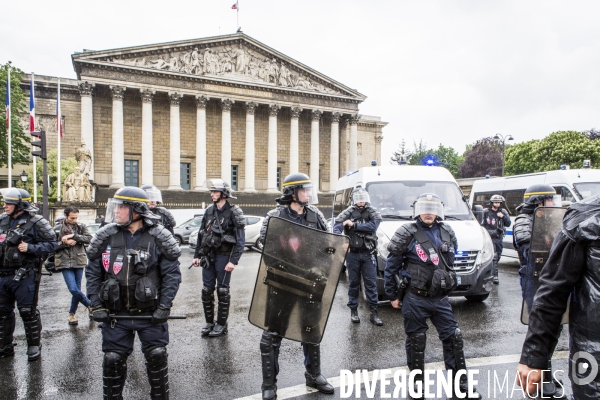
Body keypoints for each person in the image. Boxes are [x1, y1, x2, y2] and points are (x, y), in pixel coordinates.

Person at [86, 187, 182, 399]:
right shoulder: (106, 236)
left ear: (137, 211)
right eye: (116, 206)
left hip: (149, 315)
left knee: (157, 357)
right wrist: (97, 305)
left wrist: (165, 306)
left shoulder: (158, 237)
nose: (116, 211)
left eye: (122, 207)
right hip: (115, 315)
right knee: (112, 360)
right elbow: (92, 274)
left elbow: (172, 276)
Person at [383, 193, 481, 400]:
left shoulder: (446, 230)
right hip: (415, 297)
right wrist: (392, 295)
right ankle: (418, 386)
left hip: (440, 298)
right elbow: (391, 267)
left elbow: (450, 263)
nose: (429, 212)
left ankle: (460, 385)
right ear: (418, 210)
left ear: (439, 210)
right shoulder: (406, 232)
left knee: (454, 338)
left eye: (433, 208)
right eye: (425, 208)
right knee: (417, 341)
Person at [258, 172, 335, 400]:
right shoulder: (275, 216)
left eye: (310, 190)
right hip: (282, 284)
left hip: (311, 284)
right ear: (292, 192)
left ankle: (314, 374)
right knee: (272, 334)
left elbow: (328, 245)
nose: (310, 194)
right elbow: (267, 250)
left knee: (311, 329)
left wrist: (321, 268)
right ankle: (269, 385)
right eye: (306, 189)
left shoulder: (316, 215)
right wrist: (290, 269)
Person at [516, 194, 600, 399]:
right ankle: (547, 380)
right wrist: (534, 357)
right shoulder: (585, 216)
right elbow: (553, 292)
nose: (553, 203)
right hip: (593, 351)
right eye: (549, 200)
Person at [513, 184, 566, 399]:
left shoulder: (547, 218)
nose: (554, 204)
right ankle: (541, 378)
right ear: (539, 201)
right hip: (535, 279)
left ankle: (546, 373)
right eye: (550, 200)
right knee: (541, 327)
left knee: (554, 328)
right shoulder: (525, 221)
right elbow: (530, 250)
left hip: (550, 279)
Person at [0, 188, 55, 361]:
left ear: (19, 205)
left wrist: (31, 248)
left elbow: (53, 244)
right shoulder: (1, 220)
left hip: (24, 275)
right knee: (2, 312)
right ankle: (5, 346)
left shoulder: (36, 222)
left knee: (27, 311)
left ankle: (33, 345)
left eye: (9, 203)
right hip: (3, 275)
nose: (5, 206)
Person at [192, 179, 245, 338]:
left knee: (222, 290)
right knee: (206, 290)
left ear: (224, 194)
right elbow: (202, 235)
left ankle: (222, 324)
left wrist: (233, 261)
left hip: (224, 256)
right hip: (209, 256)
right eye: (211, 191)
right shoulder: (209, 211)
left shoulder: (234, 212)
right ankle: (209, 322)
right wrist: (197, 255)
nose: (212, 194)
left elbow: (240, 240)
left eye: (215, 192)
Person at [333, 186, 383, 325]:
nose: (361, 202)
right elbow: (337, 226)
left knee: (371, 284)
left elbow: (373, 226)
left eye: (363, 199)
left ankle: (374, 312)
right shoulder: (348, 212)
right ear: (354, 200)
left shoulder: (372, 212)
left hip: (368, 253)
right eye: (358, 199)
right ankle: (353, 311)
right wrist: (341, 240)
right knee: (353, 283)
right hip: (352, 254)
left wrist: (353, 225)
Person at [53, 205, 93, 325]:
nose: (74, 220)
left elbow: (89, 238)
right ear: (65, 216)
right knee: (73, 289)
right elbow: (52, 246)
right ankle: (90, 305)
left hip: (78, 261)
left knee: (77, 289)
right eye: (72, 218)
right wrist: (65, 243)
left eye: (76, 218)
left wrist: (74, 236)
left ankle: (72, 314)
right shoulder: (57, 229)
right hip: (64, 261)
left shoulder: (81, 227)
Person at [479, 194, 511, 284]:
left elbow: (508, 223)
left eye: (499, 202)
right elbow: (481, 225)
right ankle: (495, 276)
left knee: (498, 255)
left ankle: (493, 272)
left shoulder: (502, 212)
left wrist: (503, 217)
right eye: (495, 202)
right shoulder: (486, 212)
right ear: (492, 203)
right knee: (494, 256)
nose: (497, 204)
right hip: (489, 237)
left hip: (499, 238)